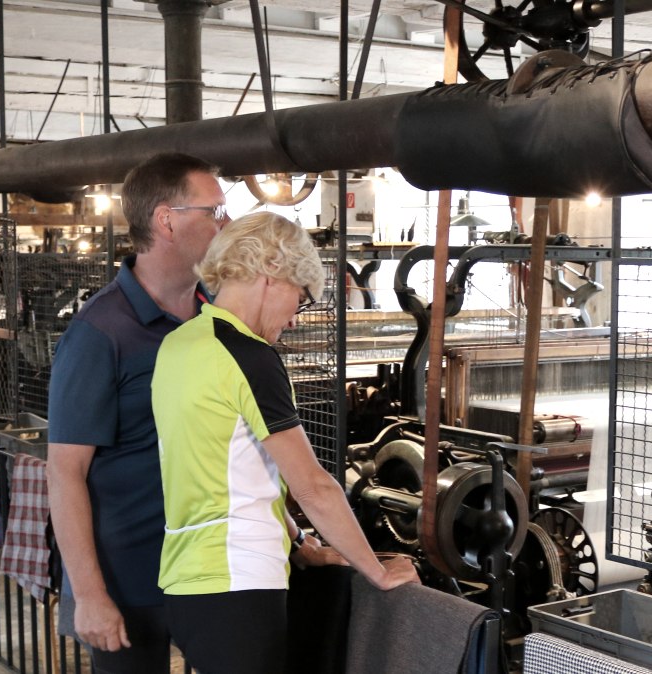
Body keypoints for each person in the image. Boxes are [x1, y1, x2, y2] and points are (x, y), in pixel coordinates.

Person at [152, 211, 418, 674]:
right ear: (271, 273)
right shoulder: (249, 356)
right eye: (300, 297)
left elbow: (228, 468)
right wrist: (378, 571)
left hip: (186, 581)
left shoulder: (178, 344)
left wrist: (298, 540)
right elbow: (313, 486)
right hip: (239, 584)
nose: (295, 319)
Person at [46, 152, 231, 673]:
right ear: (166, 219)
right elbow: (64, 472)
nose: (226, 224)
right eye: (213, 211)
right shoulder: (100, 332)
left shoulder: (217, 317)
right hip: (130, 579)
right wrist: (89, 594)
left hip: (211, 568)